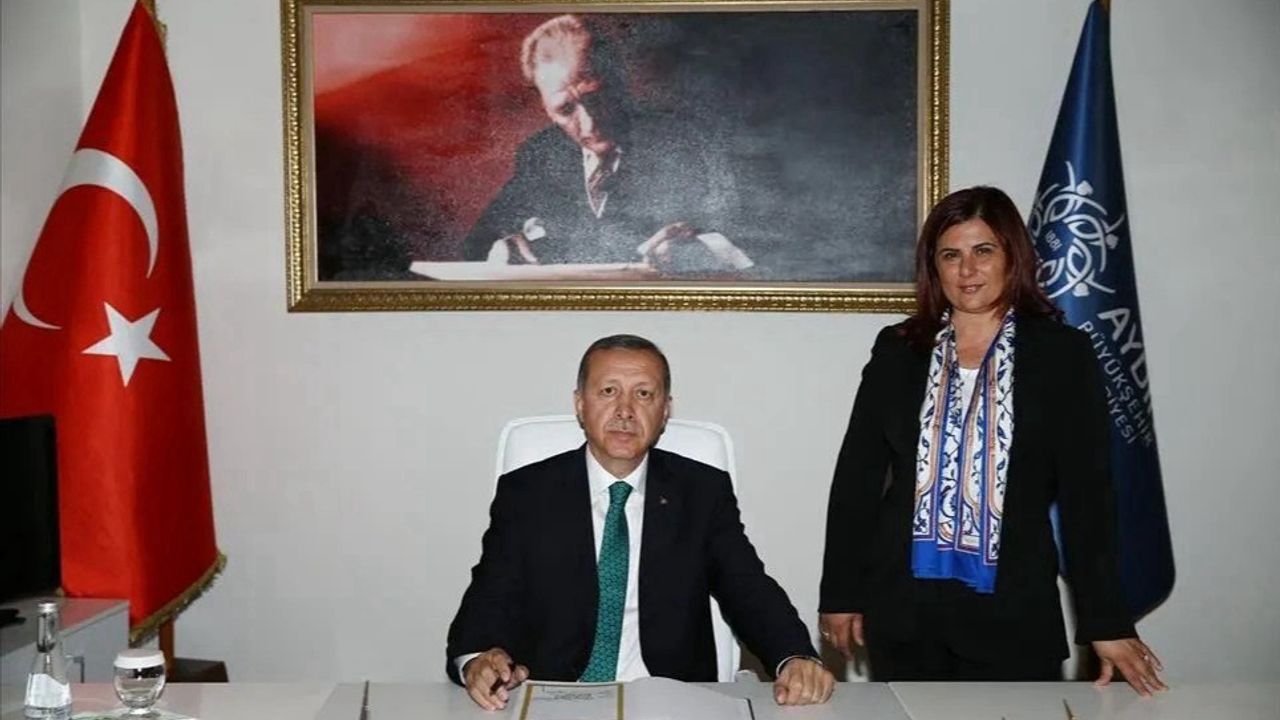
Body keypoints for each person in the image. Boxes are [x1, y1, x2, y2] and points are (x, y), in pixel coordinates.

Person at [818, 186, 1166, 694]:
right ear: (933, 266)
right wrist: (841, 592)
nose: (967, 270)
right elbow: (857, 478)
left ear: (1012, 257)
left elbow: (1087, 497)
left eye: (983, 251)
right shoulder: (898, 349)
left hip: (1014, 612)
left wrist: (1106, 621)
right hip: (905, 611)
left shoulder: (1062, 354)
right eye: (950, 255)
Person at [447, 334, 833, 710]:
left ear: (665, 410)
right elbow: (491, 594)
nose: (625, 410)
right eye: (608, 391)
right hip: (558, 698)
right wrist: (477, 659)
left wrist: (794, 657)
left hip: (669, 699)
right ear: (580, 404)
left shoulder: (701, 492)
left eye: (644, 394)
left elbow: (747, 588)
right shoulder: (528, 493)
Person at [462, 16, 752, 274]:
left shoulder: (686, 140)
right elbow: (477, 244)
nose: (589, 124)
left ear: (619, 82)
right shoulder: (541, 153)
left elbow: (759, 238)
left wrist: (703, 248)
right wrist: (502, 245)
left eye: (596, 98)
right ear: (545, 108)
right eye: (565, 110)